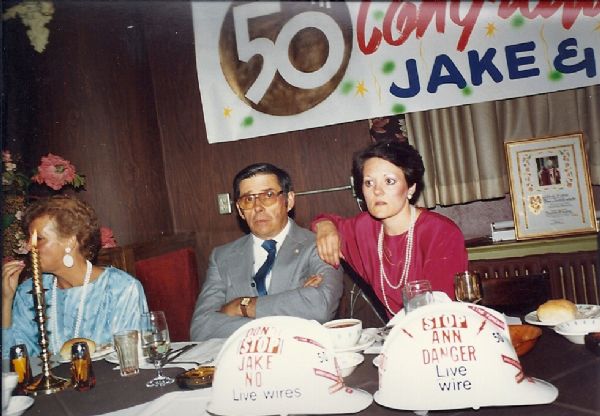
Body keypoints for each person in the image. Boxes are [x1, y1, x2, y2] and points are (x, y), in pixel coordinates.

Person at [312, 139, 468, 318]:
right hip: (397, 333)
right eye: (369, 183)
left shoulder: (440, 233)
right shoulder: (364, 227)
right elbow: (324, 220)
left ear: (410, 188)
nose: (377, 191)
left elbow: (439, 311)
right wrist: (325, 226)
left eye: (389, 181)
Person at [190, 163, 343, 341]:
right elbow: (201, 328)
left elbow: (320, 307)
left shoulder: (318, 244)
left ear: (289, 201)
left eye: (268, 195)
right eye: (248, 199)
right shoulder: (222, 257)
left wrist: (242, 306)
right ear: (240, 210)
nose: (258, 207)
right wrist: (292, 311)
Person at [2, 195, 148, 359]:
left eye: (39, 239)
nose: (29, 247)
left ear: (70, 241)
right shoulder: (30, 291)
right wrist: (6, 300)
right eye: (29, 239)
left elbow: (132, 359)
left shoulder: (120, 289)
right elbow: (14, 361)